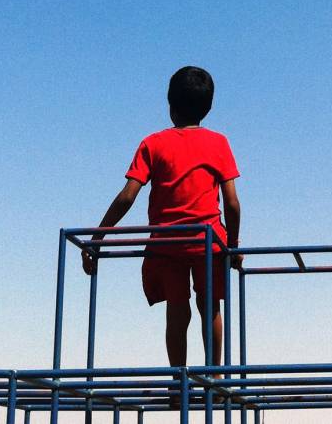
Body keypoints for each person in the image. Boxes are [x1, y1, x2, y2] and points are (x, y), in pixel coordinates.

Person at [82, 66, 242, 369]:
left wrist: (97, 238)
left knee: (177, 312)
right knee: (210, 308)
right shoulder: (219, 143)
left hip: (167, 243)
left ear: (170, 105)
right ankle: (216, 376)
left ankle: (177, 379)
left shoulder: (153, 143)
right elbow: (232, 204)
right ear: (208, 107)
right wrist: (232, 246)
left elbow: (128, 196)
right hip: (207, 241)